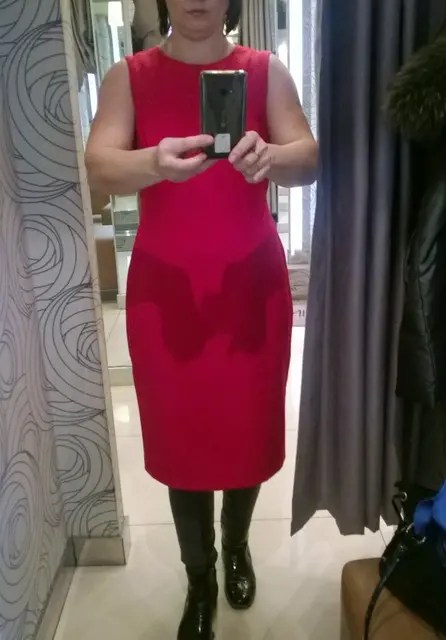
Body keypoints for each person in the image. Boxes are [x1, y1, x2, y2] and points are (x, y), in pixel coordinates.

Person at [85, 1, 318, 638]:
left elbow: (309, 158)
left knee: (246, 431)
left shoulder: (264, 71)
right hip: (167, 295)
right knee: (180, 440)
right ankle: (200, 577)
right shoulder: (129, 76)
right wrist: (153, 163)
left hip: (250, 287)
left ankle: (236, 547)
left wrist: (271, 156)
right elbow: (98, 166)